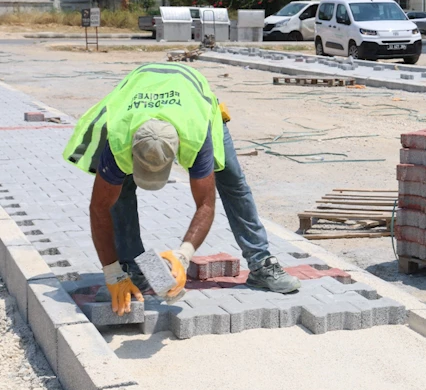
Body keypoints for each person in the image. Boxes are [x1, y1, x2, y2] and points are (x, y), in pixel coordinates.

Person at [63, 62, 300, 316]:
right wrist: (112, 274)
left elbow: (206, 204)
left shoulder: (196, 135)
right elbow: (99, 208)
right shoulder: (118, 137)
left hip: (192, 101)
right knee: (118, 191)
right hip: (139, 99)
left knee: (232, 181)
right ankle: (132, 269)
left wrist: (183, 256)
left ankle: (261, 263)